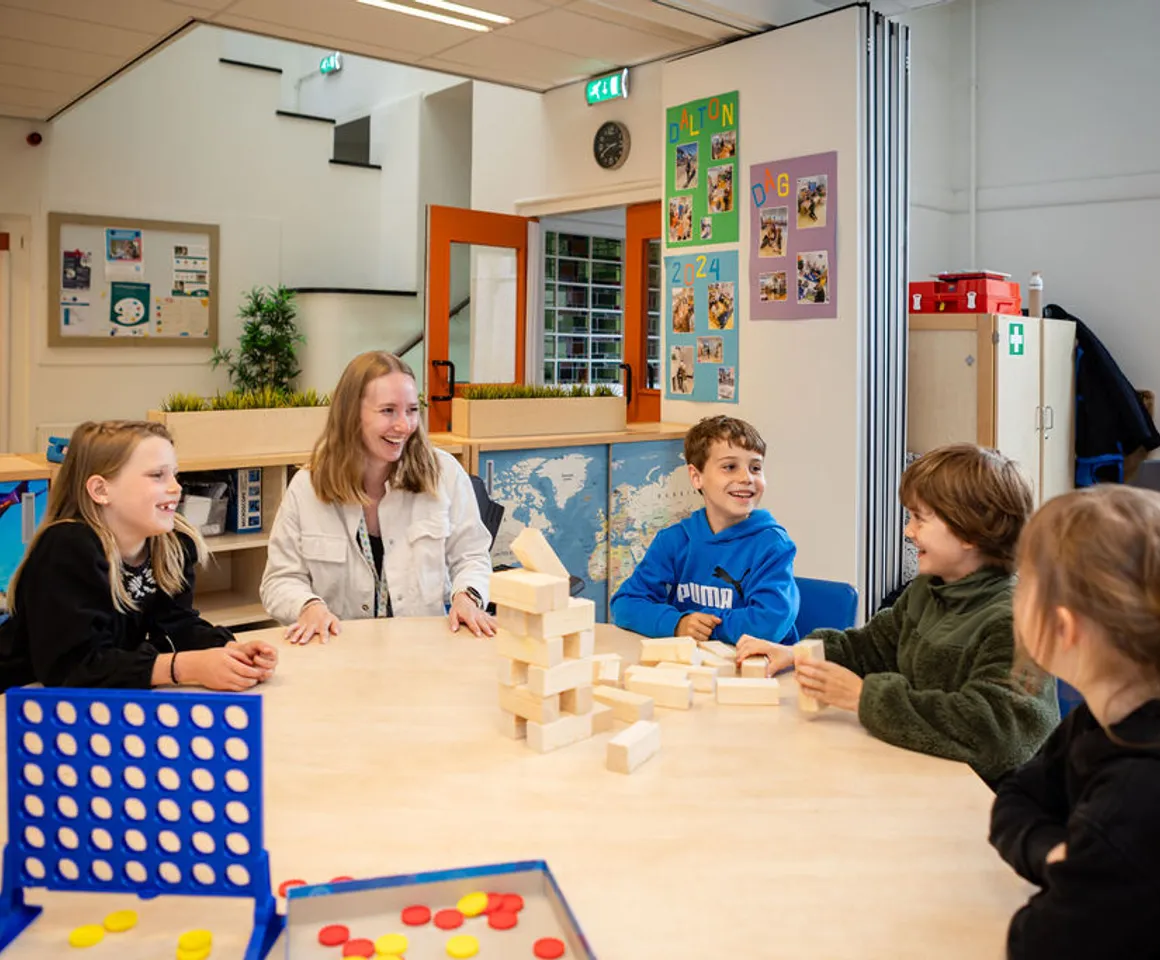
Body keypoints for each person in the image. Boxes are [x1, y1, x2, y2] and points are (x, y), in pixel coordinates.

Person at [738, 444, 1059, 783]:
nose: (908, 531)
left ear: (970, 530)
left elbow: (996, 735)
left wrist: (864, 697)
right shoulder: (928, 588)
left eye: (920, 518)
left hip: (994, 806)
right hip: (926, 774)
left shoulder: (1016, 620)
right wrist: (794, 653)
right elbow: (872, 647)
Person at [989, 485, 1160, 958]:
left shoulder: (1132, 796)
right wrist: (1058, 855)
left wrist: (1083, 866)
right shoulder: (1099, 720)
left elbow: (1036, 942)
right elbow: (1019, 795)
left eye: (1024, 582)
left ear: (1063, 627)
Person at [0, 421, 277, 691]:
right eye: (158, 476)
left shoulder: (172, 544)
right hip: (19, 700)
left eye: (175, 474)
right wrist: (184, 667)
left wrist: (229, 650)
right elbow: (73, 667)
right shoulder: (67, 547)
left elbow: (175, 625)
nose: (176, 487)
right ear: (100, 490)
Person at [260, 351, 494, 643]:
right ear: (351, 415)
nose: (403, 425)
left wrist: (467, 597)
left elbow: (471, 556)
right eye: (388, 411)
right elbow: (279, 580)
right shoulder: (307, 487)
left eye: (411, 410)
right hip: (338, 653)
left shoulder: (444, 473)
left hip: (422, 651)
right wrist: (308, 606)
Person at [611, 415, 798, 646]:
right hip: (692, 669)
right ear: (696, 477)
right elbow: (625, 603)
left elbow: (770, 622)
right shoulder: (673, 541)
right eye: (730, 467)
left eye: (756, 468)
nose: (746, 478)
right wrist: (678, 624)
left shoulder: (773, 545)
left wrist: (703, 629)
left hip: (758, 672)